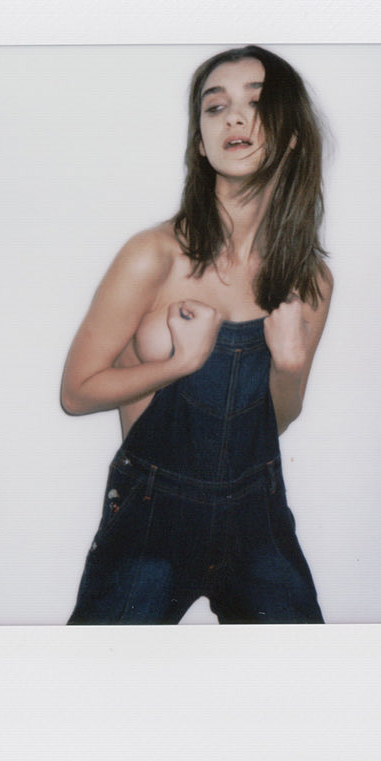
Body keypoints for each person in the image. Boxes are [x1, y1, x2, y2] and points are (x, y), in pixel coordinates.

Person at [61, 46, 333, 624]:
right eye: (215, 107)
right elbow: (76, 392)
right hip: (152, 515)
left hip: (257, 513)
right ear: (201, 142)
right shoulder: (154, 256)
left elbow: (279, 420)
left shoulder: (308, 281)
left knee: (304, 675)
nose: (234, 117)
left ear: (290, 136)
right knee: (99, 676)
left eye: (256, 102)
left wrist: (288, 364)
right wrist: (177, 364)